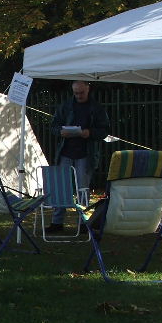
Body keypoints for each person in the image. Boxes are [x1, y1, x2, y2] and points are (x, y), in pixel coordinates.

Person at [47, 80, 111, 232]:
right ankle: (57, 222)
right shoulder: (66, 106)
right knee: (61, 187)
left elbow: (104, 130)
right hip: (65, 152)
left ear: (88, 89)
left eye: (81, 92)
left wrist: (90, 133)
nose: (78, 95)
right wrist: (60, 132)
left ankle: (83, 222)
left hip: (85, 154)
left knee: (83, 188)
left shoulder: (96, 108)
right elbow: (54, 126)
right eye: (75, 93)